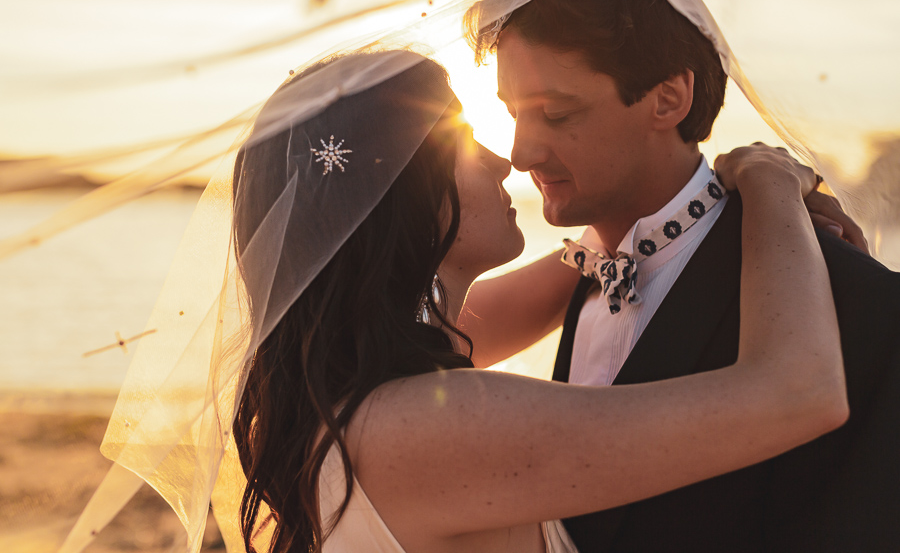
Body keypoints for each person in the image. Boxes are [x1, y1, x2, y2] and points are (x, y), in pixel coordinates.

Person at [227, 49, 847, 553]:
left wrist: (652, 210)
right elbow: (798, 392)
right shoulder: (431, 429)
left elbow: (586, 266)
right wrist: (772, 181)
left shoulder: (336, 389)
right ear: (400, 200)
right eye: (463, 144)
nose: (504, 160)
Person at [463, 0, 900, 551]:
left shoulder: (849, 296)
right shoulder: (582, 275)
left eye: (557, 114)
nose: (519, 152)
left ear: (668, 99)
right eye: (512, 113)